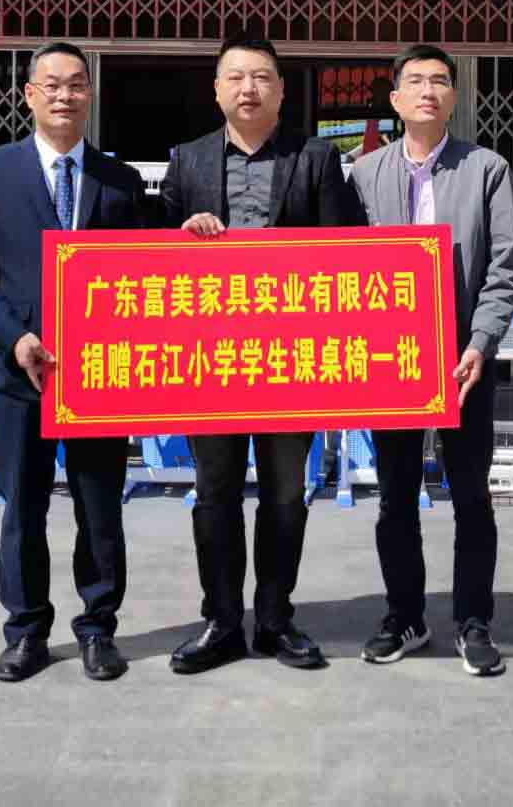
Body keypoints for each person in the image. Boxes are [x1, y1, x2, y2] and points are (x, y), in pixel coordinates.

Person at [159, 35, 365, 674]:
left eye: (262, 78)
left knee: (283, 495)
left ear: (280, 89)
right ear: (216, 90)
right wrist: (181, 235)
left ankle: (276, 618)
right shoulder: (187, 160)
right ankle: (221, 620)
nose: (249, 89)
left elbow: (349, 252)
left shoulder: (316, 159)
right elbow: (151, 265)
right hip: (211, 362)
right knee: (213, 492)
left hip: (292, 362)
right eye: (236, 78)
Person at [0, 41, 147, 683]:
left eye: (77, 84)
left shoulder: (120, 181)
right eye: (52, 84)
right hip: (17, 375)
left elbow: (146, 275)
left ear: (91, 94)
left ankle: (97, 629)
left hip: (98, 377)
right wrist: (16, 339)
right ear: (30, 95)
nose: (65, 95)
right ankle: (27, 631)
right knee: (23, 507)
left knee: (101, 509)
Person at [351, 44, 513, 677]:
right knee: (395, 497)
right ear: (394, 99)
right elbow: (339, 268)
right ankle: (405, 615)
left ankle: (474, 620)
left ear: (453, 98)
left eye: (441, 82)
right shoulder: (363, 175)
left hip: (464, 359)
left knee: (471, 495)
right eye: (415, 81)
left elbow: (505, 269)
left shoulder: (488, 170)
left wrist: (480, 343)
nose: (428, 90)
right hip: (392, 362)